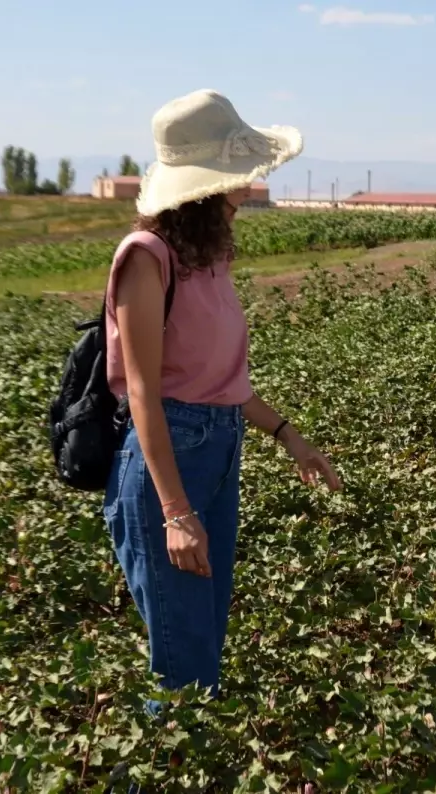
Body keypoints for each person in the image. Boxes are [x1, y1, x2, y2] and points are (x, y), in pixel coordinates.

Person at [102, 89, 342, 714]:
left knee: (203, 647)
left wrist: (289, 436)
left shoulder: (207, 259)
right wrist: (176, 512)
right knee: (181, 668)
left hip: (219, 451)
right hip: (167, 466)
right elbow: (146, 396)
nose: (245, 192)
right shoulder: (146, 260)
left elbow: (220, 383)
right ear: (204, 188)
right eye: (236, 181)